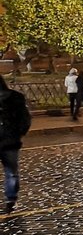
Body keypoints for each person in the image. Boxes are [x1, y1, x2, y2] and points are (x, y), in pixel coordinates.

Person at [0, 76, 31, 213]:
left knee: (12, 172)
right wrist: (19, 133)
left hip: (10, 140)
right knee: (11, 172)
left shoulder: (15, 98)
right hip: (11, 141)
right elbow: (25, 118)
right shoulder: (16, 97)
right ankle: (10, 200)